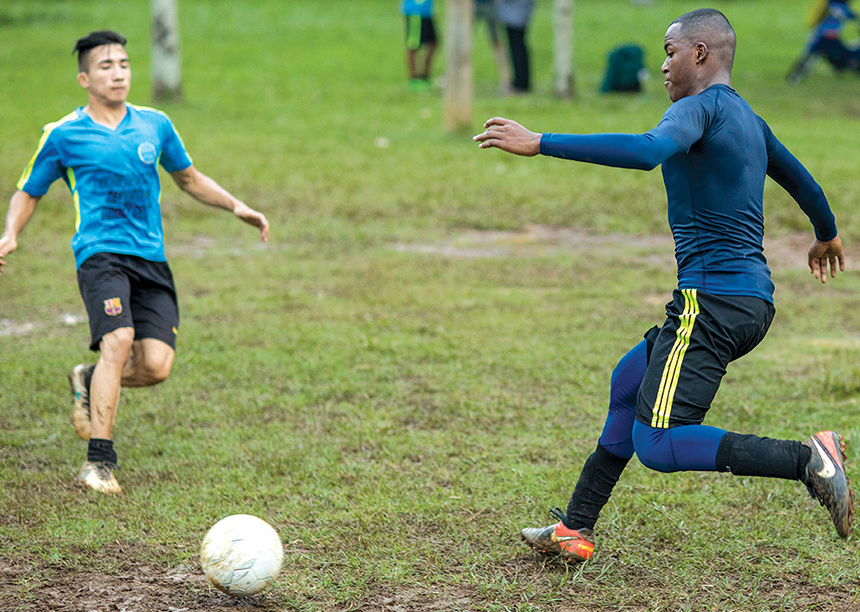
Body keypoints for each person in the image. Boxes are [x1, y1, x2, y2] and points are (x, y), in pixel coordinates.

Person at [474, 8, 853, 561]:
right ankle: (575, 527)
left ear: (701, 54)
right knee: (628, 381)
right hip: (749, 301)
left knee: (659, 443)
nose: (662, 65)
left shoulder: (698, 111)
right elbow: (803, 180)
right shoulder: (748, 118)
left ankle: (808, 460)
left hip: (713, 302)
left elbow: (648, 151)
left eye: (671, 51)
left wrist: (542, 141)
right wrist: (826, 234)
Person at [0, 31, 269, 494]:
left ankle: (87, 378)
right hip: (100, 255)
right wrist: (10, 234)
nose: (118, 72)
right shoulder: (63, 134)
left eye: (123, 63)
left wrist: (236, 205)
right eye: (106, 66)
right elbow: (29, 191)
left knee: (156, 366)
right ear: (85, 77)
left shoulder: (154, 124)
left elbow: (187, 177)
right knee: (119, 339)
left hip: (151, 260)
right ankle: (98, 463)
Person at [497, 0, 536, 93]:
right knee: (518, 48)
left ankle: (521, 84)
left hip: (515, 16)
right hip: (519, 14)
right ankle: (521, 82)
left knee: (517, 49)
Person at [475, 0, 513, 94]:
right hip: (472, 5)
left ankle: (506, 80)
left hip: (491, 5)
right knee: (462, 41)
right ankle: (453, 78)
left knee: (497, 42)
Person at [401, 0, 438, 91]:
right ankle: (415, 80)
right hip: (416, 11)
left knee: (433, 43)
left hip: (426, 12)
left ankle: (424, 77)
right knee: (413, 45)